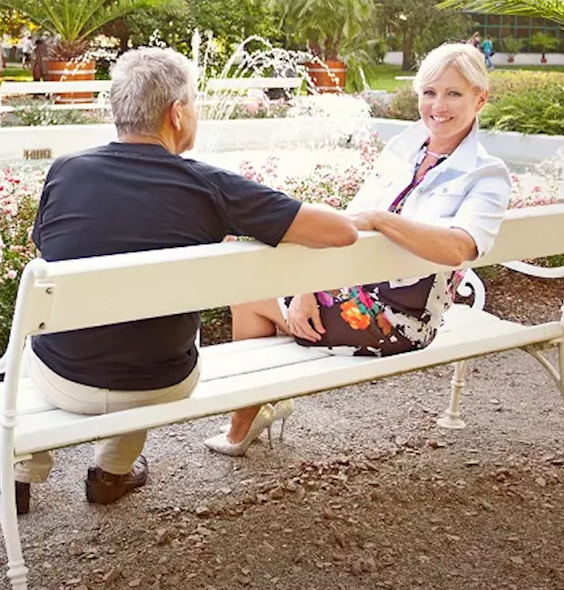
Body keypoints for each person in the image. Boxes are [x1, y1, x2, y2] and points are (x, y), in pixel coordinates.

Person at [18, 47, 358, 512]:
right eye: (194, 103)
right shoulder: (211, 187)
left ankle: (21, 471)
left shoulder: (65, 171)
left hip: (64, 379)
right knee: (143, 340)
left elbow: (47, 254)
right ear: (176, 114)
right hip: (165, 379)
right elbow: (340, 232)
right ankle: (111, 474)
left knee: (38, 332)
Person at [206, 43, 511, 456]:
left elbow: (460, 247)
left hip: (400, 318)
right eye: (429, 92)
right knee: (260, 270)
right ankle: (256, 408)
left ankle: (243, 424)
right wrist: (308, 288)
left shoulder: (487, 175)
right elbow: (345, 227)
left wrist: (382, 220)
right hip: (358, 294)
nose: (438, 105)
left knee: (247, 294)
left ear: (481, 98)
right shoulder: (403, 150)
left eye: (454, 94)